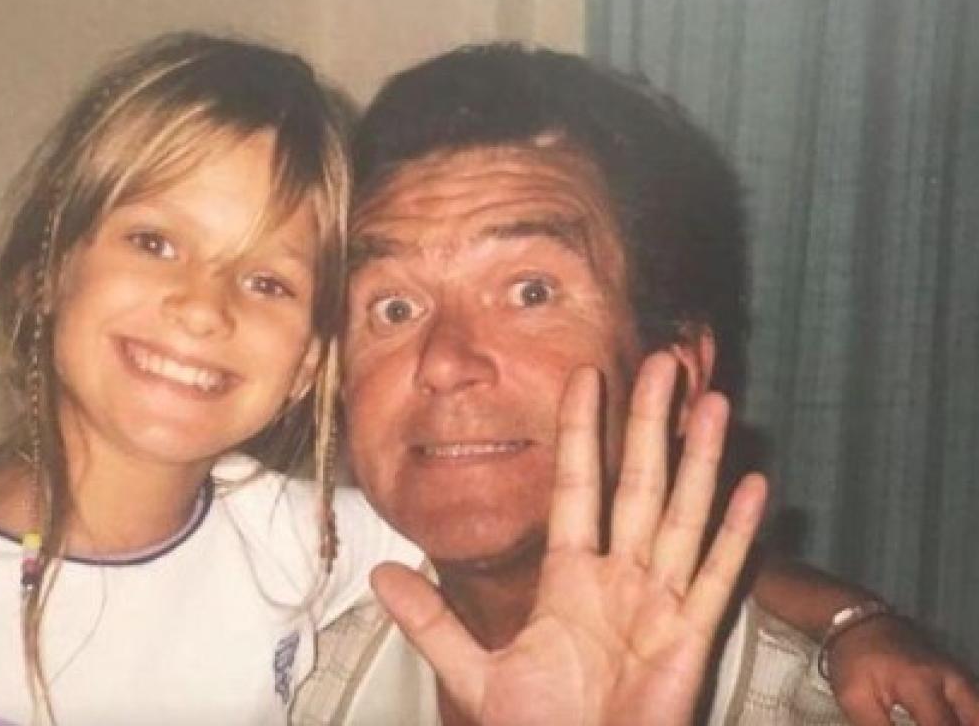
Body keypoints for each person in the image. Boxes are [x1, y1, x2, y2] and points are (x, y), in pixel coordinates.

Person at [0, 33, 765, 726]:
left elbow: (566, 551)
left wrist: (841, 623)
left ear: (311, 361)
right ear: (45, 267)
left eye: (270, 279)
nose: (203, 302)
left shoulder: (316, 544)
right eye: (154, 240)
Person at [295, 43, 979, 726]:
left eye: (531, 293)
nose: (443, 362)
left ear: (677, 381)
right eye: (394, 309)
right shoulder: (285, 674)